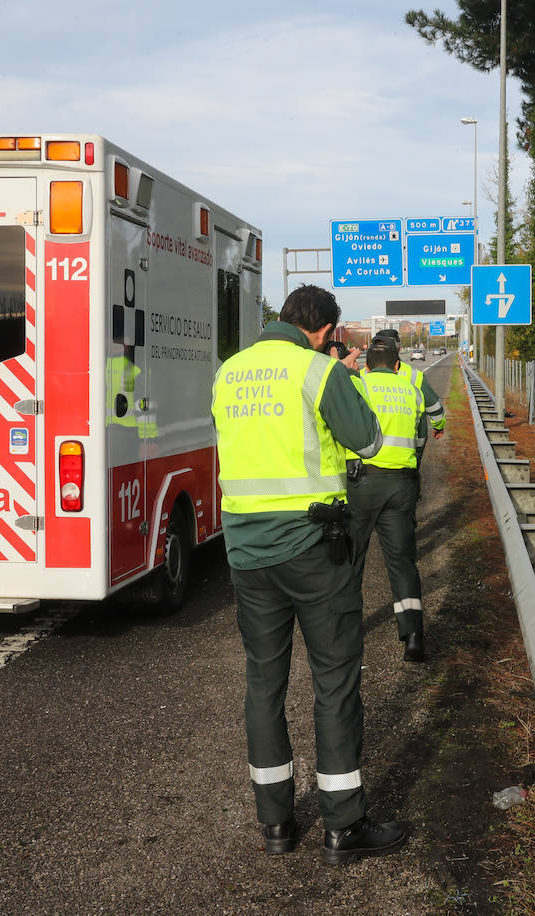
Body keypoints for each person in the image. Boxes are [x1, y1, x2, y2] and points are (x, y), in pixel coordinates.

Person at [211, 284, 407, 865]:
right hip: (313, 549)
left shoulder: (229, 372)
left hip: (246, 552)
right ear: (324, 331)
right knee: (334, 681)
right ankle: (343, 827)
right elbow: (369, 440)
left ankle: (275, 824)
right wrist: (338, 377)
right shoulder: (319, 372)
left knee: (264, 683)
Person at [346, 337, 429, 662]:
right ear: (398, 365)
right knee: (402, 562)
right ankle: (413, 637)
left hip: (362, 483)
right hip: (401, 485)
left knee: (352, 559)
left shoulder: (359, 385)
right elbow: (420, 438)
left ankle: (348, 632)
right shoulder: (411, 390)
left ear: (367, 365)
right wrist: (411, 470)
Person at [369, 329, 445, 461]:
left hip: (366, 460)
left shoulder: (362, 375)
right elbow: (434, 408)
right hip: (404, 460)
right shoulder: (414, 375)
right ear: (398, 348)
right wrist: (438, 428)